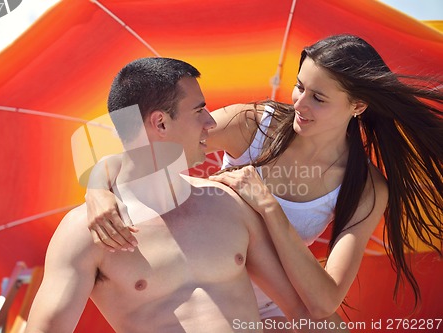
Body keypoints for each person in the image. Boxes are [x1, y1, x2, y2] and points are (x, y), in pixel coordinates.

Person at [85, 34, 443, 330]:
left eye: (318, 98)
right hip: (207, 298)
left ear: (358, 106)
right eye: (300, 87)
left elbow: (322, 301)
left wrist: (268, 207)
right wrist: (98, 184)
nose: (300, 103)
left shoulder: (365, 187)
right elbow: (145, 139)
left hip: (279, 309)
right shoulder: (256, 126)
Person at [26, 57, 345, 333]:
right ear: (160, 122)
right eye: (199, 110)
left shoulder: (230, 203)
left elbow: (303, 311)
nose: (210, 121)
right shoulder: (86, 232)